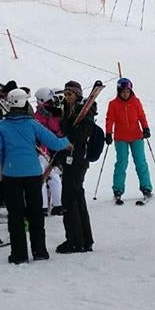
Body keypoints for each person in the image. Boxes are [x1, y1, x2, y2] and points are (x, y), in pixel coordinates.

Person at [0, 89, 70, 263]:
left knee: (16, 215)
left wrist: (8, 162)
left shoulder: (2, 126)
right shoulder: (32, 124)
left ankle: (19, 255)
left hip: (11, 175)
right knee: (35, 213)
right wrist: (67, 141)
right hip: (33, 173)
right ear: (24, 104)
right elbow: (54, 142)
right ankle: (39, 251)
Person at [57, 81, 95, 254]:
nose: (67, 97)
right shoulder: (67, 110)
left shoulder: (85, 112)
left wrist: (66, 126)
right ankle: (84, 240)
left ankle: (75, 240)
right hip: (70, 159)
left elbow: (79, 135)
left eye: (70, 94)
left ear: (77, 94)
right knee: (76, 197)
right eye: (65, 94)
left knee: (70, 199)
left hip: (78, 159)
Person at [105, 77, 152, 202]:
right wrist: (108, 133)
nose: (126, 94)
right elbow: (110, 119)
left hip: (137, 136)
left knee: (140, 162)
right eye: (123, 92)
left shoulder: (136, 102)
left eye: (128, 91)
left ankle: (146, 187)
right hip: (121, 138)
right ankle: (118, 189)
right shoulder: (113, 104)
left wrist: (146, 128)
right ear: (119, 91)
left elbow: (141, 116)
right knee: (121, 163)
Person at [34, 87, 64, 215]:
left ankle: (48, 206)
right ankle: (52, 206)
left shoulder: (46, 114)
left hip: (46, 151)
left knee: (46, 178)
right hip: (44, 150)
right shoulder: (46, 115)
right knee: (50, 177)